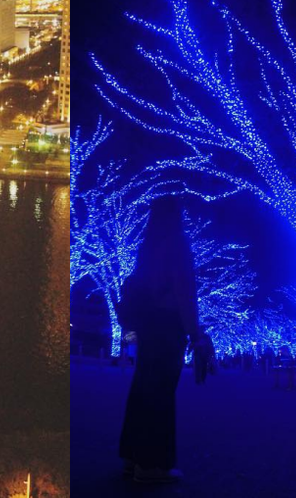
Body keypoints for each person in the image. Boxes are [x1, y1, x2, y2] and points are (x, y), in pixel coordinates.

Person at [117, 196, 207, 484]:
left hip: (148, 324)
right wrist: (194, 332)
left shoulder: (147, 247)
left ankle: (132, 458)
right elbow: (184, 293)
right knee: (162, 392)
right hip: (169, 326)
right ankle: (152, 465)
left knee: (143, 388)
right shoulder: (178, 247)